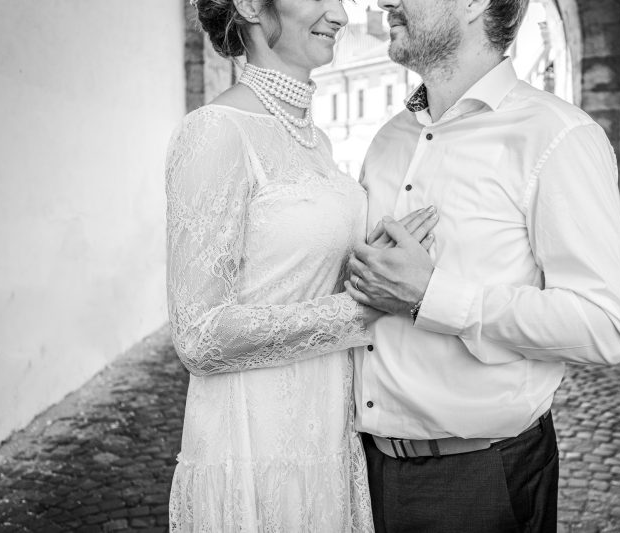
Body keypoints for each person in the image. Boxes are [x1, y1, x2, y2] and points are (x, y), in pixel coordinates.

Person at [344, 0, 620, 531]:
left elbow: (605, 325)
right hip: (364, 471)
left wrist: (431, 296)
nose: (383, 2)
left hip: (480, 481)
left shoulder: (556, 136)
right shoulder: (388, 140)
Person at [164, 0, 437, 531]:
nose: (340, 15)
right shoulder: (216, 131)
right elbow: (198, 336)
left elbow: (297, 272)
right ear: (249, 5)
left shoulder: (316, 139)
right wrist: (364, 308)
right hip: (253, 442)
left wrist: (371, 262)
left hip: (326, 433)